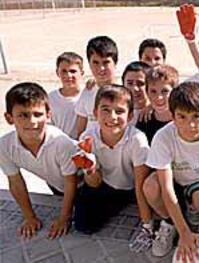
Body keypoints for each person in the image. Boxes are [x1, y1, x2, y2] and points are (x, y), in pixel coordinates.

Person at [143, 81, 199, 261]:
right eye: (182, 117)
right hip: (173, 182)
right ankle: (170, 222)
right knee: (150, 186)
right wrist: (184, 233)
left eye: (196, 116)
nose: (191, 125)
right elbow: (166, 188)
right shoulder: (163, 137)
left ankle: (194, 212)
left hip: (198, 182)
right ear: (172, 116)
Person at [0, 82, 78, 239]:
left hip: (84, 184)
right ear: (9, 118)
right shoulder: (4, 146)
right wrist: (30, 217)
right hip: (57, 185)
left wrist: (64, 218)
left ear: (48, 115)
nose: (32, 122)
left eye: (37, 114)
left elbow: (72, 182)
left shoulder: (61, 143)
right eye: (23, 115)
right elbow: (15, 182)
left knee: (85, 223)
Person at [73, 84, 150, 234]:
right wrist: (90, 169)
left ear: (130, 116)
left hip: (131, 187)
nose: (112, 117)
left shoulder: (137, 140)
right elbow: (94, 183)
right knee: (84, 226)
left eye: (119, 111)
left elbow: (140, 183)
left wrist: (146, 224)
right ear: (95, 113)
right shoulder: (87, 137)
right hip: (105, 184)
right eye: (105, 110)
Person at [75, 35, 118, 138]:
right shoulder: (88, 91)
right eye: (95, 62)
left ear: (115, 63)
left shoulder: (124, 92)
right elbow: (81, 128)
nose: (101, 68)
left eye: (106, 62)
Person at [135, 64, 179, 145]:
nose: (159, 97)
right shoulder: (144, 120)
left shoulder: (181, 119)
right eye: (153, 91)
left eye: (165, 91)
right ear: (147, 92)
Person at [49, 52, 84, 139]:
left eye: (73, 71)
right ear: (57, 72)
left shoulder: (86, 95)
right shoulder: (51, 98)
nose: (68, 75)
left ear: (81, 73)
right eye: (64, 71)